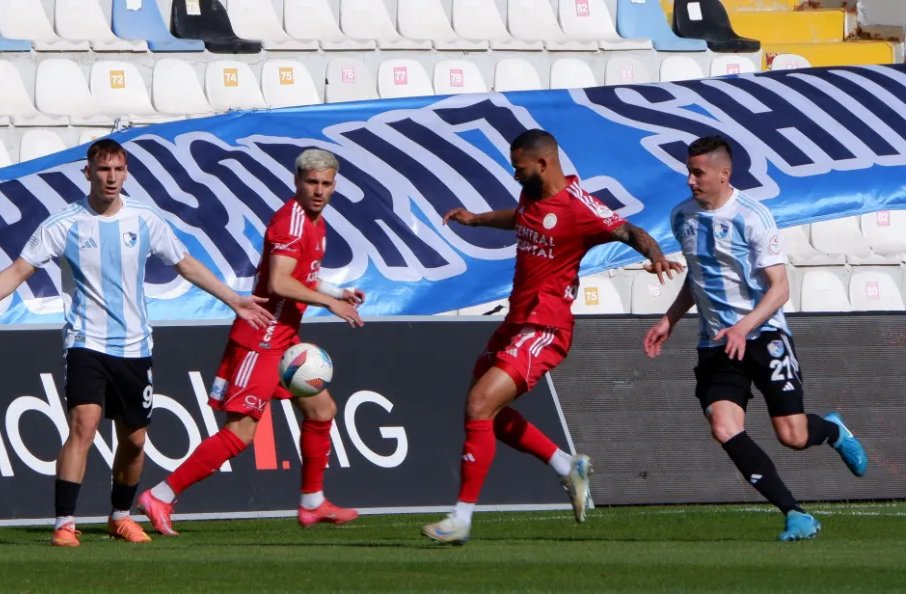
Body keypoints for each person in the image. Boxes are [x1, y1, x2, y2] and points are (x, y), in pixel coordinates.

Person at [0, 139, 274, 547]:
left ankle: (120, 517)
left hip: (135, 347)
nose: (111, 177)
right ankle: (64, 523)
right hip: (86, 341)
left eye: (118, 169)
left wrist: (234, 299)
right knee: (84, 424)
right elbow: (18, 270)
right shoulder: (64, 224)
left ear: (126, 172)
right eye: (103, 170)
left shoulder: (145, 218)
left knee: (134, 441)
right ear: (88, 173)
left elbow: (185, 263)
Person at [424, 129, 682, 545]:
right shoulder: (532, 197)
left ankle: (461, 519)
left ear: (542, 164)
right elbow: (519, 218)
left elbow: (629, 231)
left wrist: (655, 257)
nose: (514, 174)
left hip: (546, 327)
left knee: (479, 404)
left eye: (518, 167)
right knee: (483, 413)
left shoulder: (579, 207)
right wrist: (477, 219)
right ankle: (566, 465)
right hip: (515, 322)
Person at [643, 135, 868, 541]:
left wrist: (743, 327)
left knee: (793, 436)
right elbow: (699, 277)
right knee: (724, 427)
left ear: (724, 174)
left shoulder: (753, 217)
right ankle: (795, 514)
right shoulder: (682, 217)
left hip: (763, 336)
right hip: (716, 343)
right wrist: (669, 319)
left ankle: (833, 430)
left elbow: (780, 288)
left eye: (698, 173)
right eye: (688, 172)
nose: (690, 180)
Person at [137, 148, 366, 535]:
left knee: (322, 409)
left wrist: (337, 291)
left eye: (326, 184)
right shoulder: (291, 222)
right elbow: (278, 282)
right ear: (297, 181)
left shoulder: (316, 223)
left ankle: (312, 503)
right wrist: (329, 303)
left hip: (284, 339)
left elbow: (302, 275)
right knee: (241, 433)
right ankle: (160, 495)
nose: (319, 190)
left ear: (334, 185)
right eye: (312, 182)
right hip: (261, 338)